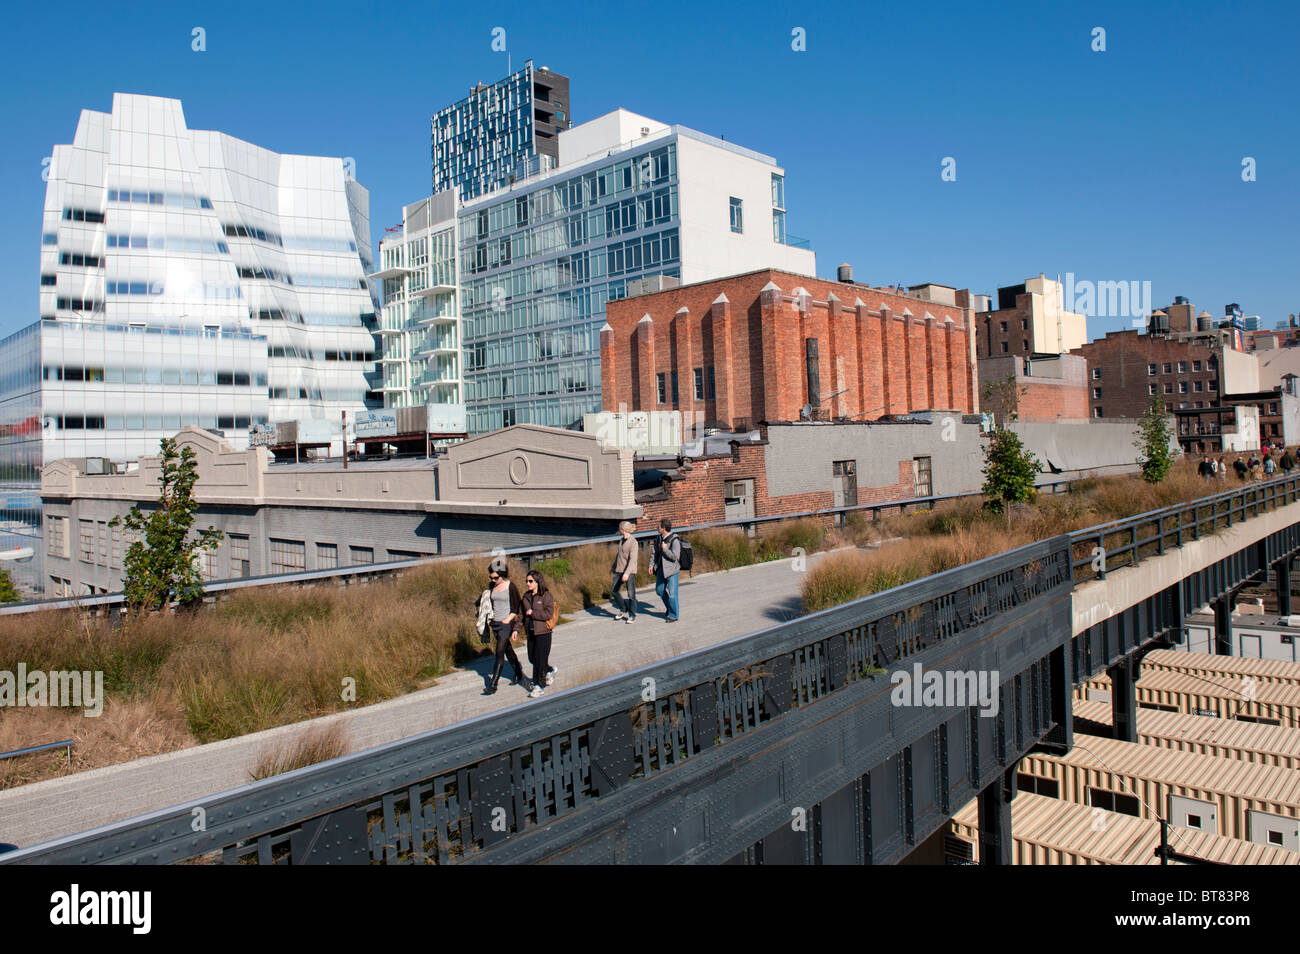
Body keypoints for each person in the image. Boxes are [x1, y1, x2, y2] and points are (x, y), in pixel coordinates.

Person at [482, 562, 531, 695]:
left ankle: (493, 685)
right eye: (491, 578)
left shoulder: (511, 586)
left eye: (496, 578)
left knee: (499, 652)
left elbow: (516, 607)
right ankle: (519, 674)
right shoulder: (492, 586)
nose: (493, 580)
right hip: (495, 623)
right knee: (507, 650)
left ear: (502, 575)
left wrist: (508, 620)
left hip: (506, 623)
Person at [521, 569, 557, 698]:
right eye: (526, 581)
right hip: (531, 632)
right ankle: (549, 670)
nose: (528, 583)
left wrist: (533, 613)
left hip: (543, 632)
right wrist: (516, 629)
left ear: (537, 582)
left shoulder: (546, 595)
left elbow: (549, 614)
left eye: (530, 581)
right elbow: (521, 615)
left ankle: (539, 685)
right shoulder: (526, 597)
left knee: (539, 660)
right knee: (532, 658)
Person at [648, 517, 681, 623]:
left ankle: (673, 615)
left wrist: (665, 549)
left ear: (664, 528)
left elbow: (675, 557)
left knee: (672, 594)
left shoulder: (674, 540)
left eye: (659, 526)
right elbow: (654, 553)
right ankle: (670, 608)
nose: (657, 527)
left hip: (672, 570)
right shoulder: (658, 539)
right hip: (661, 569)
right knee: (659, 590)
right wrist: (651, 565)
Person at [610, 520, 639, 624]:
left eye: (620, 528)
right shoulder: (621, 540)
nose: (619, 529)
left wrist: (627, 573)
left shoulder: (633, 542)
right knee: (614, 590)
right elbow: (619, 555)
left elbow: (633, 560)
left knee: (631, 594)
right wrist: (613, 566)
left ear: (624, 529)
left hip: (629, 571)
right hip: (619, 569)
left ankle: (632, 615)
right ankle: (623, 608)